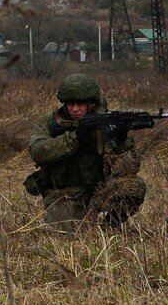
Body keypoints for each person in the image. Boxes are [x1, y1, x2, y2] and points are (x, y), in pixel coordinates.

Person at [26, 73, 146, 230]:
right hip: (64, 193)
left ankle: (109, 227)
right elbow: (37, 152)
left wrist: (120, 142)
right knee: (67, 236)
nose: (75, 109)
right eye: (71, 104)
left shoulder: (105, 122)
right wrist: (74, 139)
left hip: (98, 190)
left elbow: (129, 169)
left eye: (81, 105)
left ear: (91, 104)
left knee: (134, 187)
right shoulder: (49, 122)